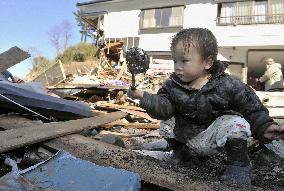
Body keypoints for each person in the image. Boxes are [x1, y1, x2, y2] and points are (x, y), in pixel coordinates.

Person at [127, 28, 284, 186]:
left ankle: (239, 166)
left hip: (215, 138)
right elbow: (163, 109)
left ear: (207, 62)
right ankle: (183, 157)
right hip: (187, 137)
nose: (177, 67)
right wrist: (143, 97)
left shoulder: (227, 84)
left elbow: (251, 108)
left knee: (236, 123)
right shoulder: (172, 86)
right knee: (167, 122)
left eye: (184, 61)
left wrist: (265, 126)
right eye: (175, 61)